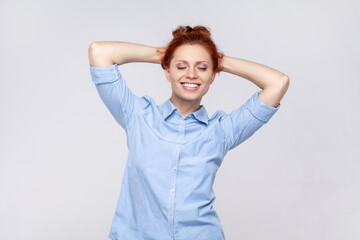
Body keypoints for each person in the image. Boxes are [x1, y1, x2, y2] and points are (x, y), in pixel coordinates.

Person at [88, 25, 289, 240]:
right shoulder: (138, 117)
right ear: (167, 71)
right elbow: (99, 52)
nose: (191, 74)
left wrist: (217, 60)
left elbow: (278, 83)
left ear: (213, 76)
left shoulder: (222, 131)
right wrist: (165, 54)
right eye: (181, 66)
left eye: (202, 68)